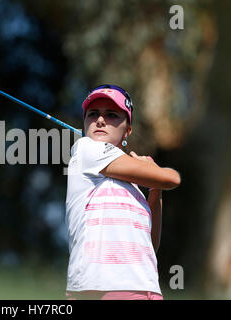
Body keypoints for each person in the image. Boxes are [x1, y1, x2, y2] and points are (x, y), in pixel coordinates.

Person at [65, 85, 181, 300]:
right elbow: (172, 178)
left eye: (111, 115)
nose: (100, 120)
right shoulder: (86, 149)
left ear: (127, 130)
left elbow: (149, 247)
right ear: (85, 124)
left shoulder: (134, 188)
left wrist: (155, 192)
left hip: (144, 288)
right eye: (93, 114)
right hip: (101, 287)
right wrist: (154, 172)